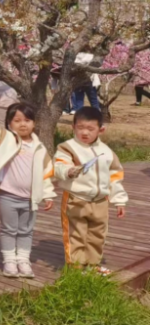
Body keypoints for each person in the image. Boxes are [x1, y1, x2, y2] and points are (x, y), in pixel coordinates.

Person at [0, 103, 55, 278]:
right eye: (17, 120)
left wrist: (48, 194)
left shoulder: (39, 147)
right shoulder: (6, 139)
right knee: (8, 229)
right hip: (8, 196)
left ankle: (23, 259)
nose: (23, 124)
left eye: (28, 120)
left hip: (30, 198)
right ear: (9, 123)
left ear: (34, 123)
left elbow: (46, 173)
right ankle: (9, 260)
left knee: (26, 230)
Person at [54, 106, 127, 274]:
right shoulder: (68, 147)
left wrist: (119, 199)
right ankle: (76, 267)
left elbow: (115, 176)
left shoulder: (106, 152)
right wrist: (68, 171)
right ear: (73, 127)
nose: (84, 133)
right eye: (80, 128)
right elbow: (58, 165)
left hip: (100, 200)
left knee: (97, 234)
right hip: (76, 198)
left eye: (90, 129)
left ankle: (93, 265)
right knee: (76, 233)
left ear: (101, 130)